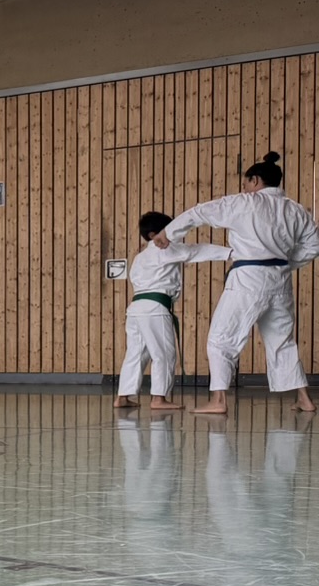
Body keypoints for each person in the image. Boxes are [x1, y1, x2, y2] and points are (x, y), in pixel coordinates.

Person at [157, 151, 319, 414]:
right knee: (282, 341)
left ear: (255, 180)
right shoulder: (295, 209)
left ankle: (219, 401)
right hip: (280, 278)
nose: (244, 189)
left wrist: (168, 232)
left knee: (221, 337)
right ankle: (304, 399)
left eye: (246, 183)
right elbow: (313, 246)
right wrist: (285, 264)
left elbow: (199, 213)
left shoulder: (244, 203)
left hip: (248, 278)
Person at [118, 212, 230, 410]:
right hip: (154, 308)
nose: (171, 234)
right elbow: (195, 251)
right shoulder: (163, 248)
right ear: (154, 235)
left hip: (135, 309)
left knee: (135, 353)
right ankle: (158, 398)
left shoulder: (139, 258)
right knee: (163, 353)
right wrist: (230, 253)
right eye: (168, 230)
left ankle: (123, 397)